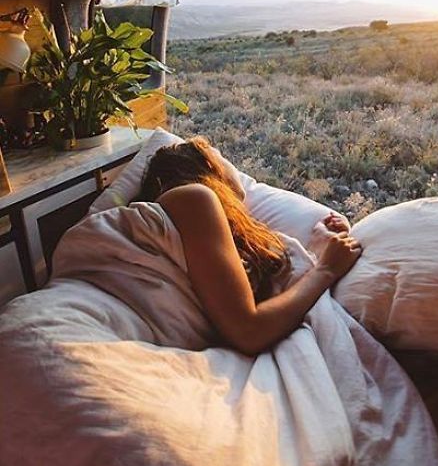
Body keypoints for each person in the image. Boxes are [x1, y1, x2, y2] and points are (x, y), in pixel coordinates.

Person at [140, 137, 362, 356]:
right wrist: (325, 269)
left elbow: (247, 303)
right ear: (210, 165)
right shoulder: (194, 197)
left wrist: (314, 251)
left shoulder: (205, 226)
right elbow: (248, 331)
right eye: (221, 157)